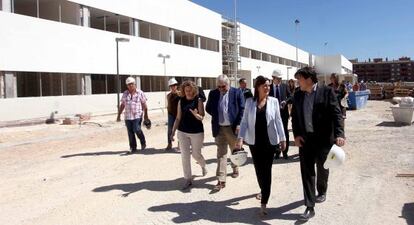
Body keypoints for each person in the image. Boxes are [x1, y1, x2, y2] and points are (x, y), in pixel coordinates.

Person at [291, 67, 345, 221]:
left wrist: (340, 134)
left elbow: (336, 114)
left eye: (299, 79)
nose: (297, 82)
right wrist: (296, 135)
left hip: (324, 140)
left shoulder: (326, 92)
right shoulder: (298, 94)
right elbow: (294, 116)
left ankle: (322, 190)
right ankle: (309, 206)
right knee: (307, 172)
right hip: (306, 140)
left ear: (308, 79)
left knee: (323, 168)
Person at [236, 75, 286, 216]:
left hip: (269, 142)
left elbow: (278, 121)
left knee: (267, 171)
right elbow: (244, 122)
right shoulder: (249, 102)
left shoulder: (274, 102)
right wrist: (240, 138)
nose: (267, 87)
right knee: (259, 171)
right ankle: (263, 189)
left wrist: (282, 139)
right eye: (264, 85)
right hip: (254, 142)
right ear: (257, 87)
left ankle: (264, 202)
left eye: (268, 85)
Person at [206, 75, 245, 191]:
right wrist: (218, 115)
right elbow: (208, 108)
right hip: (219, 128)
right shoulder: (213, 94)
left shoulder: (236, 92)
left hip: (232, 128)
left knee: (234, 150)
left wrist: (238, 124)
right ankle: (221, 179)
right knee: (221, 154)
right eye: (219, 87)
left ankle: (235, 167)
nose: (221, 89)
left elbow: (242, 109)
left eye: (223, 87)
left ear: (228, 84)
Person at [171, 80, 207, 190]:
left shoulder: (198, 100)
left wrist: (197, 115)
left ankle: (203, 165)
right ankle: (188, 179)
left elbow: (202, 116)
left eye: (191, 91)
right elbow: (178, 118)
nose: (189, 93)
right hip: (183, 131)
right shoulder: (181, 101)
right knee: (184, 155)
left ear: (194, 90)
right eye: (187, 91)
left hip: (196, 132)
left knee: (196, 155)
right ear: (183, 91)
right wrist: (172, 132)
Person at [117, 77, 149, 153]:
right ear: (127, 86)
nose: (130, 86)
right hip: (128, 116)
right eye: (128, 85)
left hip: (137, 115)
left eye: (131, 84)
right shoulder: (125, 93)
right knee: (130, 132)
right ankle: (133, 147)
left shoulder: (140, 92)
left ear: (135, 84)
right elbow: (122, 105)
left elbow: (144, 104)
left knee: (137, 129)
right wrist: (118, 115)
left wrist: (146, 115)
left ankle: (143, 141)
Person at [269, 69, 291, 159]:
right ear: (273, 78)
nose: (280, 80)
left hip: (283, 113)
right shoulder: (268, 87)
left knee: (284, 132)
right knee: (275, 132)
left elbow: (290, 96)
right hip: (272, 114)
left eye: (281, 78)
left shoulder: (284, 86)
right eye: (278, 78)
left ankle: (285, 152)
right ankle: (277, 152)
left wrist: (285, 101)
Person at [166, 78, 180, 151]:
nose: (173, 87)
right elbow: (169, 105)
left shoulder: (180, 95)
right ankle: (169, 144)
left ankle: (179, 144)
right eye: (171, 86)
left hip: (179, 114)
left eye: (174, 85)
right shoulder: (168, 96)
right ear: (170, 87)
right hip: (171, 114)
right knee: (170, 129)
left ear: (176, 86)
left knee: (180, 130)